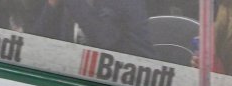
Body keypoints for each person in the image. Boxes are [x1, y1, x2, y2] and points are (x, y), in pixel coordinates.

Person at [29, 0, 157, 58]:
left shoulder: (127, 2)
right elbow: (36, 47)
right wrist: (52, 5)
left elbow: (106, 41)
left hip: (124, 83)